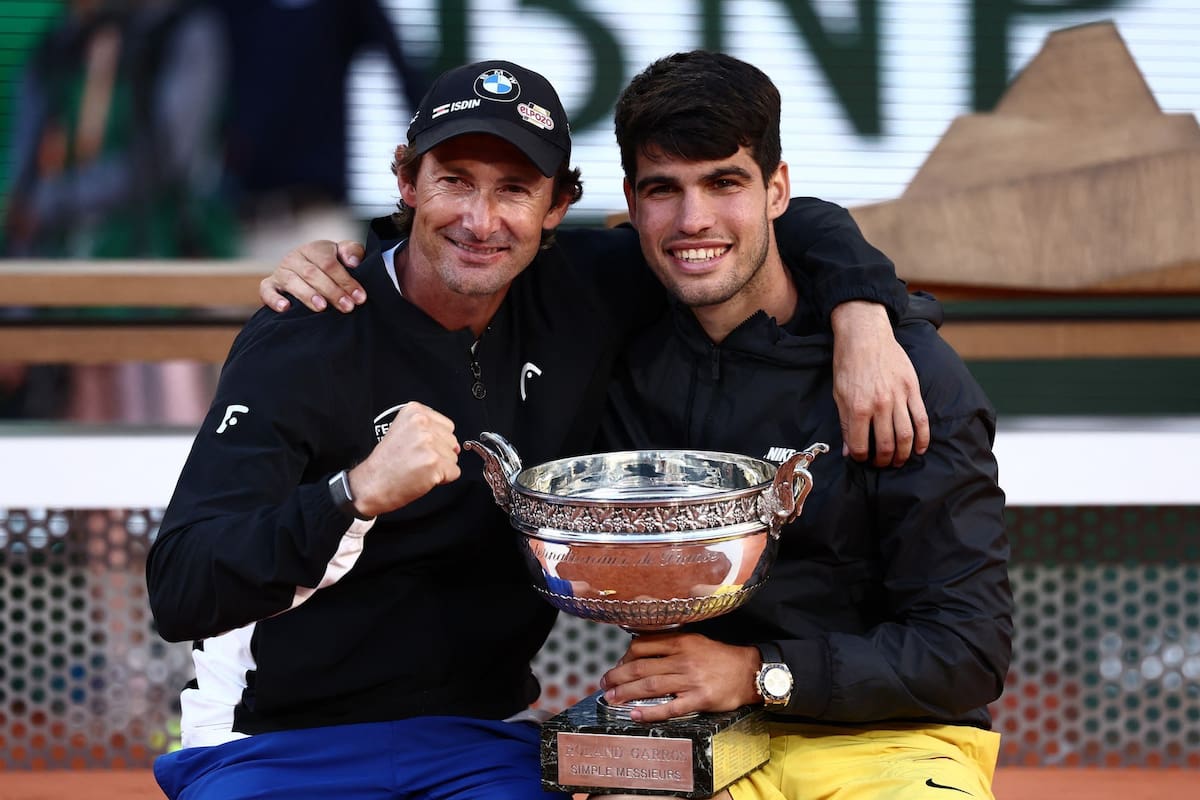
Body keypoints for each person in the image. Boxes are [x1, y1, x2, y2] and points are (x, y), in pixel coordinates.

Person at [148, 58, 920, 800]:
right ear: (407, 183)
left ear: (556, 207)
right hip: (275, 741)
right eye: (453, 181)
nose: (480, 221)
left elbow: (773, 221)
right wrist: (351, 496)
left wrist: (862, 316)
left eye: (514, 190)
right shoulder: (310, 328)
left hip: (479, 739)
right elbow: (182, 587)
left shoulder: (582, 289)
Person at [591, 52, 1013, 800]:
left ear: (776, 188)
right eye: (665, 190)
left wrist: (758, 671)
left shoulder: (907, 374)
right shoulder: (611, 326)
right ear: (631, 200)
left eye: (725, 182)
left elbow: (967, 651)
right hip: (698, 734)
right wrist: (329, 266)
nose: (694, 221)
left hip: (892, 739)